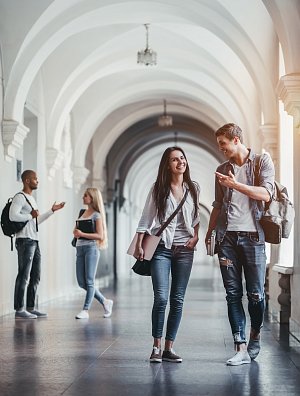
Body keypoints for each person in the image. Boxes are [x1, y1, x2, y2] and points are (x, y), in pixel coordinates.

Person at [205, 123, 275, 366]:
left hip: (254, 237)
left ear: (236, 140)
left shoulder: (261, 163)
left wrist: (236, 185)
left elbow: (266, 194)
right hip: (227, 239)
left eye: (223, 144)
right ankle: (241, 346)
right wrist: (210, 231)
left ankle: (255, 333)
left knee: (255, 294)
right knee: (232, 294)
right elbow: (217, 204)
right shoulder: (222, 169)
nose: (221, 149)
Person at [134, 147, 200, 363]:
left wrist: (196, 236)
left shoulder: (193, 188)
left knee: (177, 299)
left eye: (182, 158)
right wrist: (139, 244)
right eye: (174, 159)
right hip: (162, 247)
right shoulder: (158, 189)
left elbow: (196, 218)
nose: (180, 162)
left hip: (185, 250)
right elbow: (146, 218)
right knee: (161, 298)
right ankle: (156, 346)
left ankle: (169, 348)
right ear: (167, 165)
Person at [9, 169, 65, 319]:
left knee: (35, 275)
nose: (37, 181)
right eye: (34, 179)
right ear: (27, 180)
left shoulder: (32, 199)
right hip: (24, 240)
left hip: (34, 240)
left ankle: (31, 307)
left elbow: (36, 221)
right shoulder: (19, 197)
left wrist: (52, 211)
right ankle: (19, 309)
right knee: (24, 275)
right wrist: (30, 215)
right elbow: (12, 216)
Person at [73, 188, 113, 319]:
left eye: (85, 195)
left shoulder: (97, 215)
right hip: (79, 249)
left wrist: (82, 234)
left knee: (89, 281)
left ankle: (85, 310)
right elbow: (76, 230)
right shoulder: (82, 213)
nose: (83, 197)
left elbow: (100, 235)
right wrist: (76, 232)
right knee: (81, 282)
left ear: (92, 198)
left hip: (91, 250)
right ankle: (105, 302)